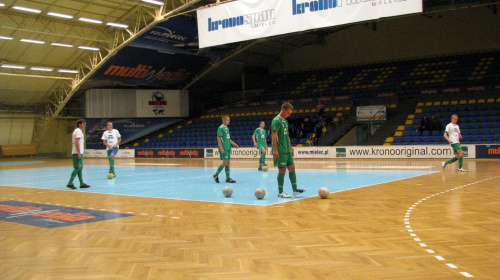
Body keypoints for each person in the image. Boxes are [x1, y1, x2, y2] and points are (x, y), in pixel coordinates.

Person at [271, 103, 306, 198]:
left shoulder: (285, 121)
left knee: (292, 168)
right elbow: (273, 136)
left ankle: (295, 190)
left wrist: (291, 148)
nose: (289, 115)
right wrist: (275, 150)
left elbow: (287, 136)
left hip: (287, 149)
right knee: (282, 170)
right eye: (288, 113)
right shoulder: (276, 121)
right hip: (280, 150)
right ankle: (280, 192)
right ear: (283, 110)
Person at [213, 115, 239, 183]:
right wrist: (221, 147)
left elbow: (228, 138)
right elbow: (218, 138)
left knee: (228, 163)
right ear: (224, 120)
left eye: (229, 120)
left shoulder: (227, 128)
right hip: (224, 147)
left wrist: (234, 144)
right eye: (228, 120)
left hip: (228, 147)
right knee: (225, 162)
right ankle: (215, 175)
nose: (229, 121)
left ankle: (228, 178)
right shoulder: (220, 128)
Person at [67, 119, 91, 189]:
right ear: (79, 124)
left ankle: (81, 183)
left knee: (80, 168)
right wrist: (78, 152)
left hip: (79, 152)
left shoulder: (79, 131)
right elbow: (77, 142)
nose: (85, 125)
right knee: (77, 167)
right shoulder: (78, 131)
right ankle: (70, 183)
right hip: (77, 152)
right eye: (83, 124)